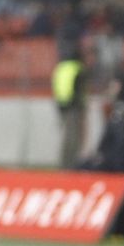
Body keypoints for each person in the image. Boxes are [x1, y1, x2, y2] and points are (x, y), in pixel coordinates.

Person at [51, 41, 87, 169]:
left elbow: (56, 88)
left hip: (62, 107)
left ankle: (64, 164)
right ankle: (72, 165)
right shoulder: (77, 68)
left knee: (66, 137)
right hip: (74, 107)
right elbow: (81, 90)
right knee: (74, 138)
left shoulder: (60, 68)